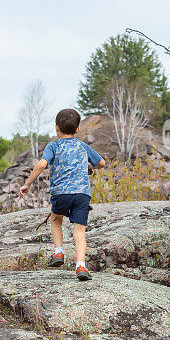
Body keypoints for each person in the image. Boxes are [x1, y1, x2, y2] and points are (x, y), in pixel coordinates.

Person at [19, 108, 105, 281]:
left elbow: (42, 164)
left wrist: (27, 183)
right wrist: (88, 167)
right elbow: (101, 163)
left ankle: (58, 253)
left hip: (61, 194)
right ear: (78, 129)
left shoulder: (53, 146)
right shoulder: (83, 146)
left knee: (56, 219)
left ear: (56, 127)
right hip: (82, 194)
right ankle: (81, 265)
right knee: (79, 230)